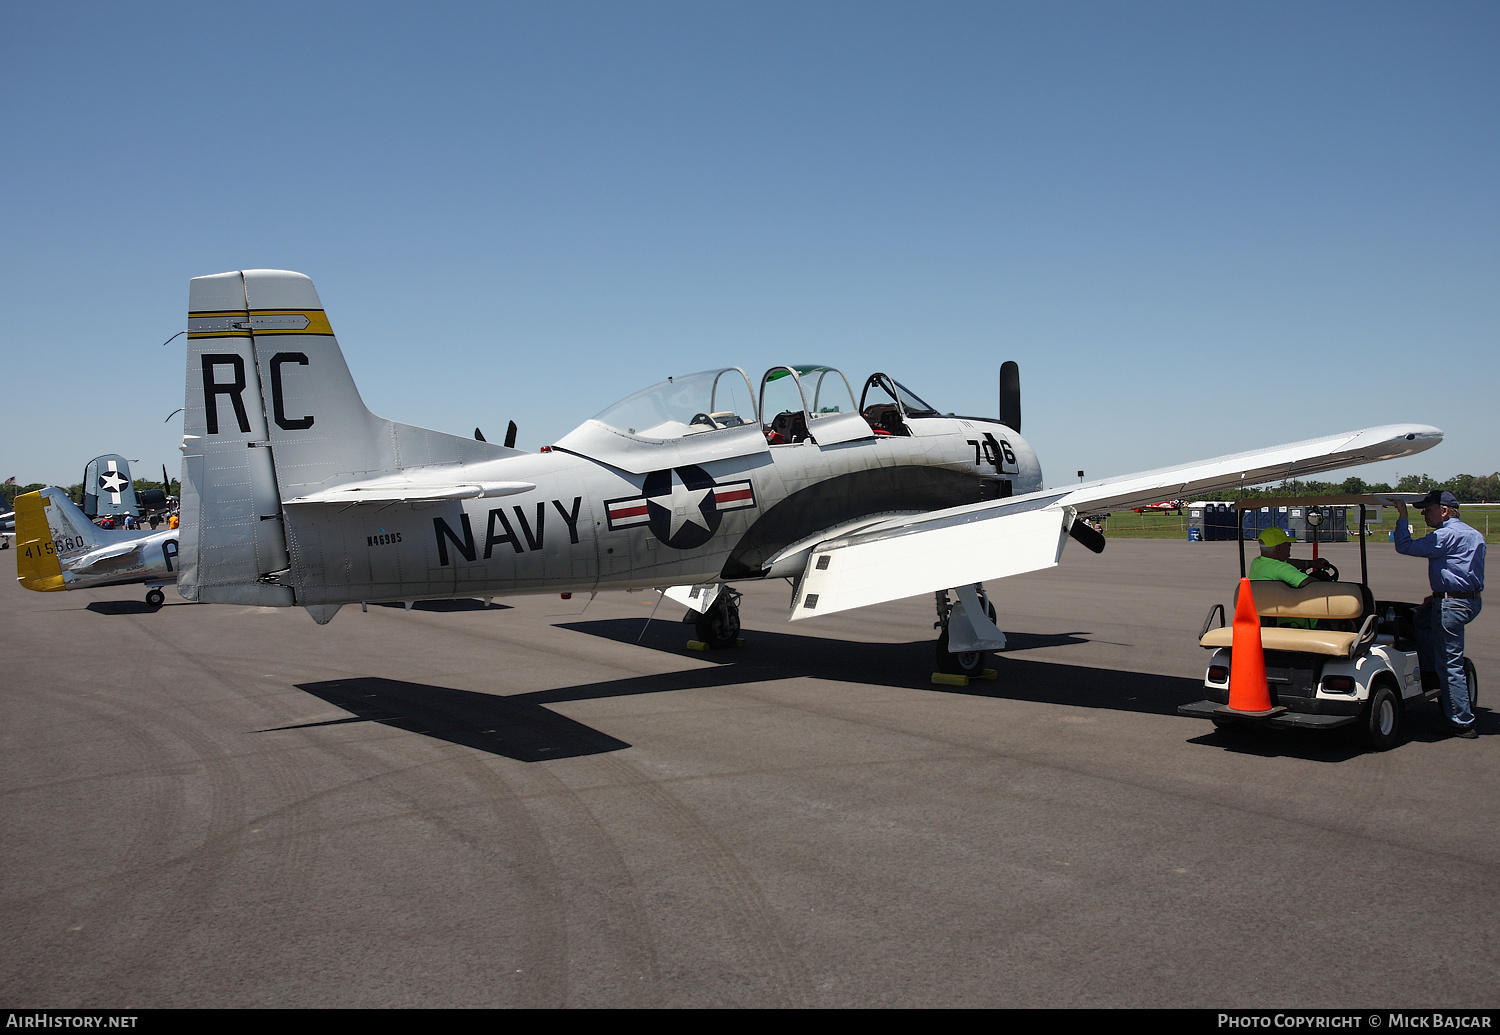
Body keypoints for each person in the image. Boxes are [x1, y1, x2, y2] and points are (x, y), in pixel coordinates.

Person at [1395, 490, 1484, 738]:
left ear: (1444, 511)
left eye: (1427, 509)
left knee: (1450, 663)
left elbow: (1404, 546)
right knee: (1421, 619)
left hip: (1452, 604)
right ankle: (1430, 670)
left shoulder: (1445, 536)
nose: (1423, 513)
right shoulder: (1473, 534)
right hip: (1468, 600)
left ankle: (1461, 721)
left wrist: (1403, 515)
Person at [1249, 527, 1333, 588]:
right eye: (1288, 544)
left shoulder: (1257, 562)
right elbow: (1314, 585)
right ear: (1279, 548)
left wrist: (1311, 563)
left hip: (1262, 605)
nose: (1290, 546)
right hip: (1281, 609)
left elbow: (1289, 562)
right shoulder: (1281, 568)